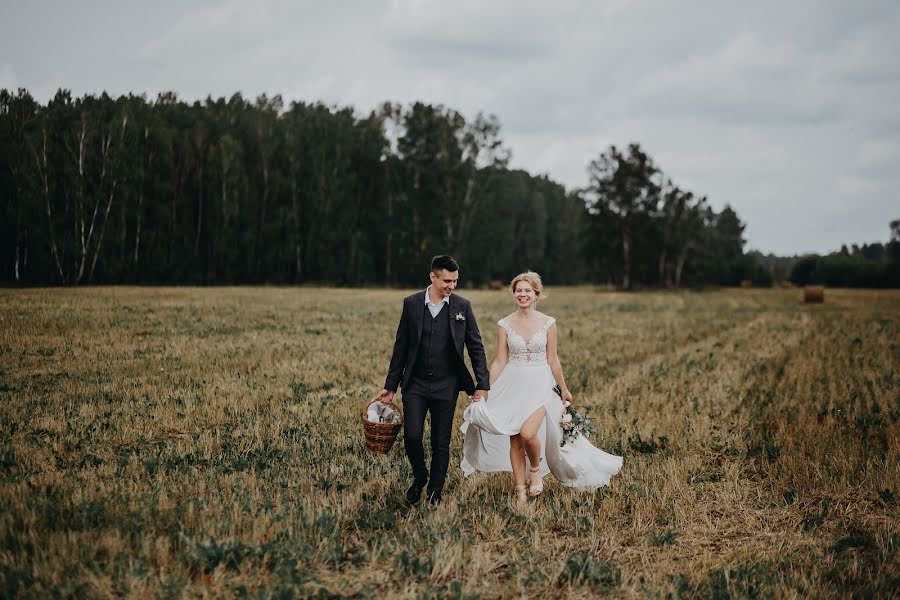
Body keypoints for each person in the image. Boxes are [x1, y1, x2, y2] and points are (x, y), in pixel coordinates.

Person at [460, 271, 622, 502]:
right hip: (512, 384)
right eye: (518, 291)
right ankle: (520, 493)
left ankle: (535, 472)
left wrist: (564, 388)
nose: (522, 294)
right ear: (513, 294)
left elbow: (553, 359)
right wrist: (483, 388)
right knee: (515, 439)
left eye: (527, 290)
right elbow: (499, 361)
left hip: (540, 384)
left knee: (528, 433)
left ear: (536, 294)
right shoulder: (504, 324)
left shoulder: (548, 323)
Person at [376, 255, 490, 505]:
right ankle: (420, 477)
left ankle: (435, 491)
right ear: (433, 277)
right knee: (412, 437)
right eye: (447, 281)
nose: (452, 286)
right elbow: (401, 347)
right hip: (415, 384)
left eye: (455, 281)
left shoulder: (462, 306)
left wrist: (482, 384)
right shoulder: (412, 304)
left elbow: (476, 347)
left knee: (441, 441)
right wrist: (390, 386)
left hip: (446, 384)